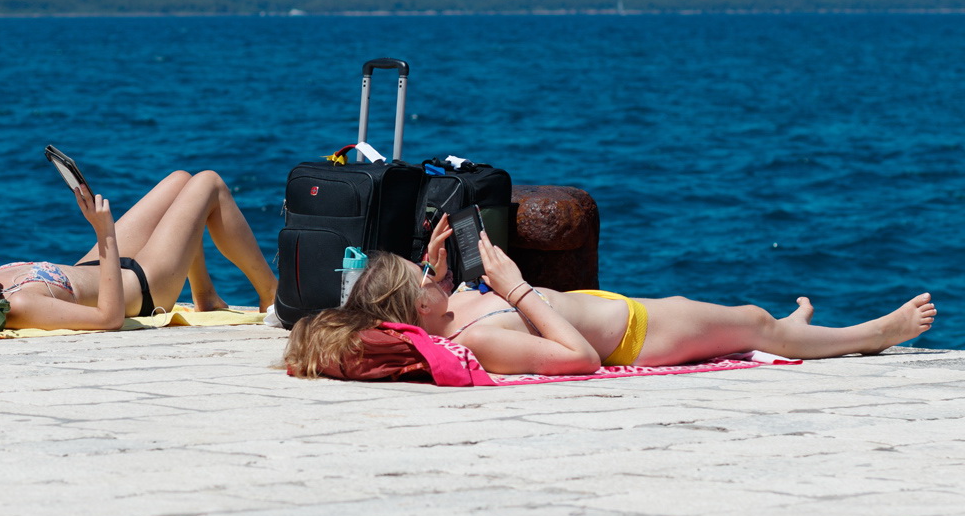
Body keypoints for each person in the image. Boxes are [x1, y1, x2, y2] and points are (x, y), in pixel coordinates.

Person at [284, 215, 936, 378]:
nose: (436, 278)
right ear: (416, 310)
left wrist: (439, 264)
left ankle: (803, 326)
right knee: (756, 323)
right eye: (425, 279)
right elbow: (578, 361)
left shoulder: (447, 308)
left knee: (751, 322)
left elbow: (451, 294)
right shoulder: (475, 338)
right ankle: (875, 334)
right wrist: (513, 287)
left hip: (622, 308)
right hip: (635, 336)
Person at [0, 170, 277, 331]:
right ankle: (271, 293)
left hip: (97, 268)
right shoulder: (18, 305)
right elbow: (108, 319)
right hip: (142, 286)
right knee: (207, 183)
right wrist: (104, 233)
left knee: (180, 180)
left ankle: (206, 296)